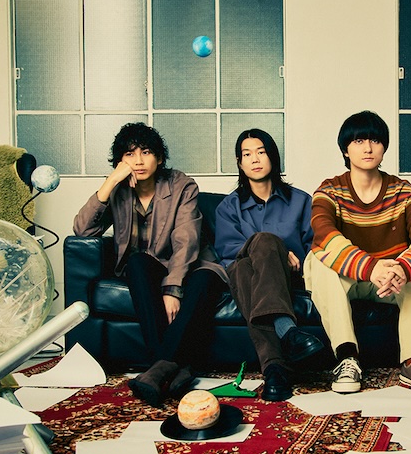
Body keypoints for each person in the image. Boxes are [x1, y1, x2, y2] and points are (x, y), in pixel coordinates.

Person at [74, 122, 225, 407]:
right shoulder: (118, 189)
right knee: (137, 263)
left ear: (159, 157)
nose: (139, 161)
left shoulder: (181, 185)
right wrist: (110, 182)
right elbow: (83, 230)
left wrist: (172, 288)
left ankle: (157, 371)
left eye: (146, 152)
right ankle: (178, 368)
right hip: (148, 268)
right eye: (130, 154)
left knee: (205, 279)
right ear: (120, 161)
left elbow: (186, 239)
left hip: (190, 266)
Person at [304, 110, 411, 396]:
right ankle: (347, 358)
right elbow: (323, 233)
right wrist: (371, 268)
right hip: (351, 277)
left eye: (375, 141)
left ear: (384, 147)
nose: (368, 148)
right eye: (358, 141)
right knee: (317, 259)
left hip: (393, 279)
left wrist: (404, 268)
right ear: (345, 149)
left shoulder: (404, 191)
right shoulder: (329, 190)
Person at [214, 129, 323, 402]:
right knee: (246, 263)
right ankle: (278, 361)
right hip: (245, 277)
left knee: (259, 249)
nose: (255, 159)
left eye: (261, 152)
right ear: (239, 163)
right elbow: (228, 254)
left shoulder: (301, 201)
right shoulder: (228, 207)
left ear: (273, 157)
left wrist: (285, 256)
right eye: (247, 154)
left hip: (291, 278)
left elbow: (316, 247)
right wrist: (275, 250)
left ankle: (274, 364)